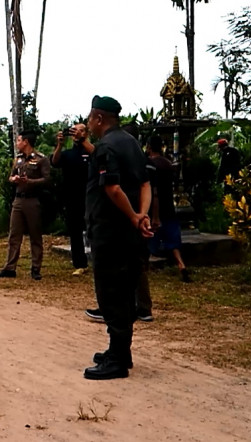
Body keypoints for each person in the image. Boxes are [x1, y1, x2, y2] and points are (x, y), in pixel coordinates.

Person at [83, 96, 152, 380]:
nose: (88, 123)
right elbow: (146, 182)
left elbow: (112, 189)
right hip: (131, 232)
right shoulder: (132, 142)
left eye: (90, 118)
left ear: (99, 118)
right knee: (125, 290)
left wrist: (133, 216)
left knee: (111, 293)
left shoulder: (106, 147)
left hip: (111, 232)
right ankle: (120, 351)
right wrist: (141, 215)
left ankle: (118, 360)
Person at [0, 130, 51, 280]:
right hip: (18, 200)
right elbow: (10, 176)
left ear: (26, 142)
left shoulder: (41, 159)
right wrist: (14, 179)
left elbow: (47, 180)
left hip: (32, 200)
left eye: (18, 140)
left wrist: (29, 182)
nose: (17, 143)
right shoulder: (18, 159)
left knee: (35, 235)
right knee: (14, 235)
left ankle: (36, 268)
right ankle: (10, 268)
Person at [146, 135, 190, 285]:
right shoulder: (168, 164)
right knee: (173, 240)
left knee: (148, 238)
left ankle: (143, 269)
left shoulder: (150, 165)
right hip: (169, 206)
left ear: (149, 147)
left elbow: (154, 191)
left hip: (154, 207)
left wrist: (155, 215)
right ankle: (181, 264)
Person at [51, 123, 93, 276]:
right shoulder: (68, 153)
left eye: (80, 130)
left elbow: (97, 155)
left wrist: (83, 140)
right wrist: (60, 144)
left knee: (93, 230)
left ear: (86, 133)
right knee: (75, 231)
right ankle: (80, 263)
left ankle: (100, 260)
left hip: (90, 197)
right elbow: (55, 162)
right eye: (74, 130)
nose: (76, 133)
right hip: (71, 197)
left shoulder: (90, 151)